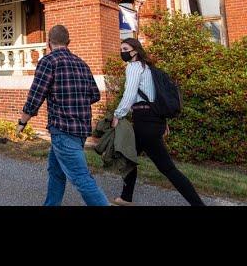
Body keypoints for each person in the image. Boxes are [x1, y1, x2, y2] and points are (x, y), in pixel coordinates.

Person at [17, 25, 110, 206]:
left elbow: (35, 96)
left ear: (48, 42)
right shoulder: (81, 63)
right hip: (81, 129)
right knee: (56, 171)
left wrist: (22, 122)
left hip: (62, 129)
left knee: (81, 178)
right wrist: (75, 100)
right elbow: (95, 95)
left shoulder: (48, 61)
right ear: (68, 42)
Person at [112, 38, 205, 206]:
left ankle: (198, 204)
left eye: (125, 48)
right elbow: (156, 99)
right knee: (129, 158)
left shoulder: (134, 67)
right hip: (152, 120)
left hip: (144, 123)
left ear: (134, 51)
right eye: (121, 48)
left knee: (167, 168)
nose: (122, 52)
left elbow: (130, 94)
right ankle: (126, 197)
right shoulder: (149, 69)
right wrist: (163, 122)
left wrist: (118, 115)